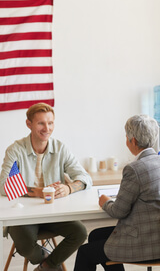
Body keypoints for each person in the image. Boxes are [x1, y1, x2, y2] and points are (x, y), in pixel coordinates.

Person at [73, 114, 160, 271]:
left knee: (84, 253)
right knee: (95, 236)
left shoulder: (134, 169)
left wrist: (105, 202)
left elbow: (118, 211)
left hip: (145, 244)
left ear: (132, 140)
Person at [0, 103, 92, 271]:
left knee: (80, 232)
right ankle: (50, 262)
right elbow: (3, 185)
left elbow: (85, 178)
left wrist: (69, 188)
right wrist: (37, 192)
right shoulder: (15, 150)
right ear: (29, 124)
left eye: (50, 123)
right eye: (41, 123)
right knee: (26, 247)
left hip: (53, 213)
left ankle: (47, 266)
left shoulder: (60, 148)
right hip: (23, 215)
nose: (47, 128)